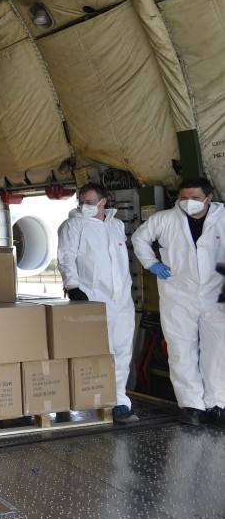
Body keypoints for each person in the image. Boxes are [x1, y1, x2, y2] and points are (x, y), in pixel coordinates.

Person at [132, 178, 225, 427]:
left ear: (209, 198)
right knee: (181, 350)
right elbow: (140, 238)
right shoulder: (164, 219)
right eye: (184, 198)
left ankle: (217, 404)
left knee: (218, 351)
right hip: (178, 293)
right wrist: (152, 263)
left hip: (217, 294)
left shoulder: (223, 218)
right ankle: (191, 405)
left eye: (195, 198)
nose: (188, 202)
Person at [56, 183, 139, 424]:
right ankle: (98, 398)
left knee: (122, 350)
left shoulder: (116, 225)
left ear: (104, 202)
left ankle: (120, 401)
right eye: (81, 202)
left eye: (90, 202)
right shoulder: (73, 225)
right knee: (99, 350)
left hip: (121, 300)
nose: (84, 206)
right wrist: (72, 286)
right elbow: (66, 256)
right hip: (93, 296)